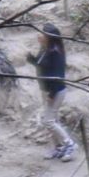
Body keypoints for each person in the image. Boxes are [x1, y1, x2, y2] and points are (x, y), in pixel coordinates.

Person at [32, 23, 74, 160]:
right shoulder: (46, 49)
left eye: (42, 34)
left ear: (49, 37)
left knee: (48, 121)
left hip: (55, 90)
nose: (40, 35)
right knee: (53, 120)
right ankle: (58, 147)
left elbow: (58, 75)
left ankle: (69, 144)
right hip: (46, 89)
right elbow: (40, 63)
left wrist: (51, 93)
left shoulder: (55, 52)